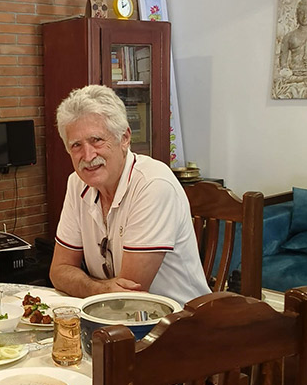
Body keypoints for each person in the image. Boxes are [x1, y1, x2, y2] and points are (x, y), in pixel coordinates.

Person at [49, 85, 210, 307]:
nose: (87, 155)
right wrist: (102, 288)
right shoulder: (77, 183)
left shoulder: (153, 184)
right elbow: (58, 271)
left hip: (180, 325)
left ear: (124, 138)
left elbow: (129, 294)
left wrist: (84, 284)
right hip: (112, 317)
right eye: (76, 145)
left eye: (96, 140)